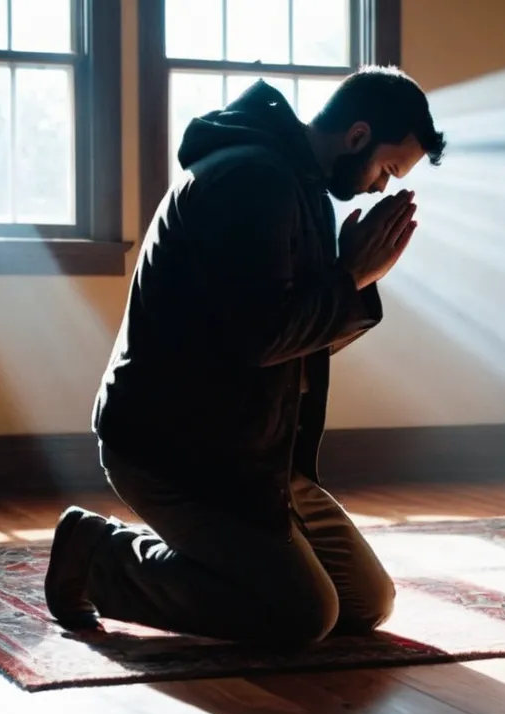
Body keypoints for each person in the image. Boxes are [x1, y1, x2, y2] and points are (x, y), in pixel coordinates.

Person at [43, 66, 446, 648]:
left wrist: (351, 282)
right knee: (301, 615)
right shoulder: (252, 181)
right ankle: (98, 554)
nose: (381, 187)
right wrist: (351, 275)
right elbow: (258, 338)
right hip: (172, 448)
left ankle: (233, 560)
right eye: (386, 168)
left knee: (364, 603)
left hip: (250, 451)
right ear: (357, 135)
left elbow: (294, 337)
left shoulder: (298, 184)